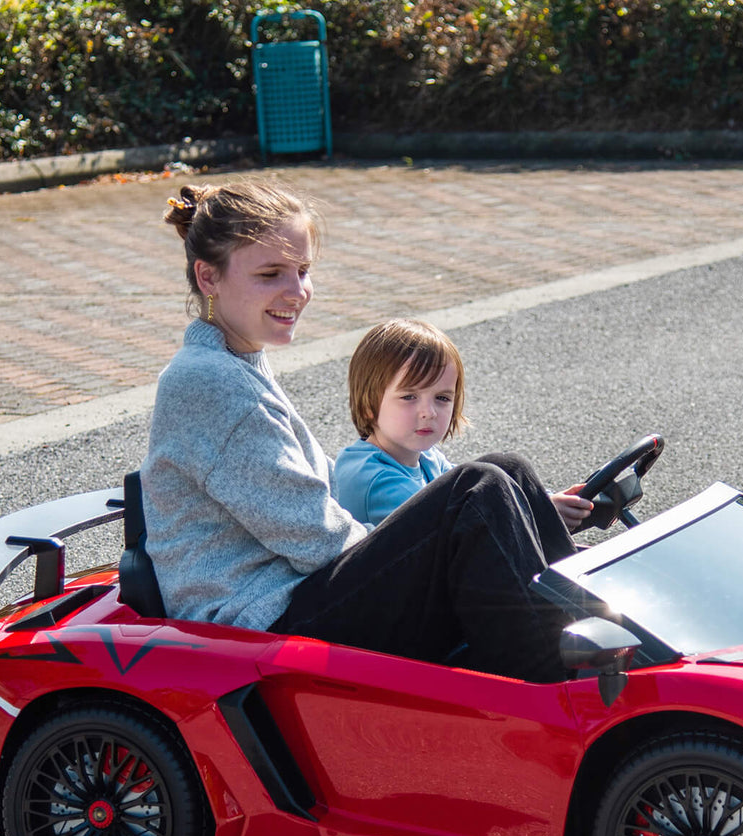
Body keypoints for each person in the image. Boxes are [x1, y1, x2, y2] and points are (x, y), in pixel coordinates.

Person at [142, 180, 593, 683]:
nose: (296, 292)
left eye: (303, 271)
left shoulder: (233, 361)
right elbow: (314, 537)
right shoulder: (210, 382)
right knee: (477, 492)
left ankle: (587, 626)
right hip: (262, 623)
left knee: (506, 472)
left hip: (293, 593)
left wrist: (512, 525)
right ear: (209, 277)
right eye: (271, 274)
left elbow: (306, 502)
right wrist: (433, 547)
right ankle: (557, 683)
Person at [333, 318, 464, 526]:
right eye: (409, 397)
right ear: (369, 405)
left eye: (442, 398)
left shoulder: (427, 458)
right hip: (394, 558)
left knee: (507, 470)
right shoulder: (375, 479)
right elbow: (453, 529)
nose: (429, 413)